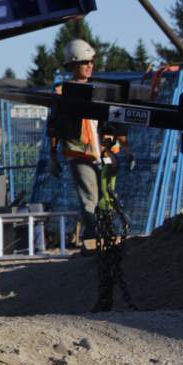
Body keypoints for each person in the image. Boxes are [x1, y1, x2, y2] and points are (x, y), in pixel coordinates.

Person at [47, 39, 103, 247]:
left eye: (91, 62)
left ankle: (100, 236)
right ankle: (92, 239)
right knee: (90, 199)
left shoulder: (97, 90)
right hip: (80, 154)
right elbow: (53, 126)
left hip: (100, 153)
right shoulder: (63, 92)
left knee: (105, 198)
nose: (89, 66)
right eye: (84, 62)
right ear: (72, 65)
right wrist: (53, 156)